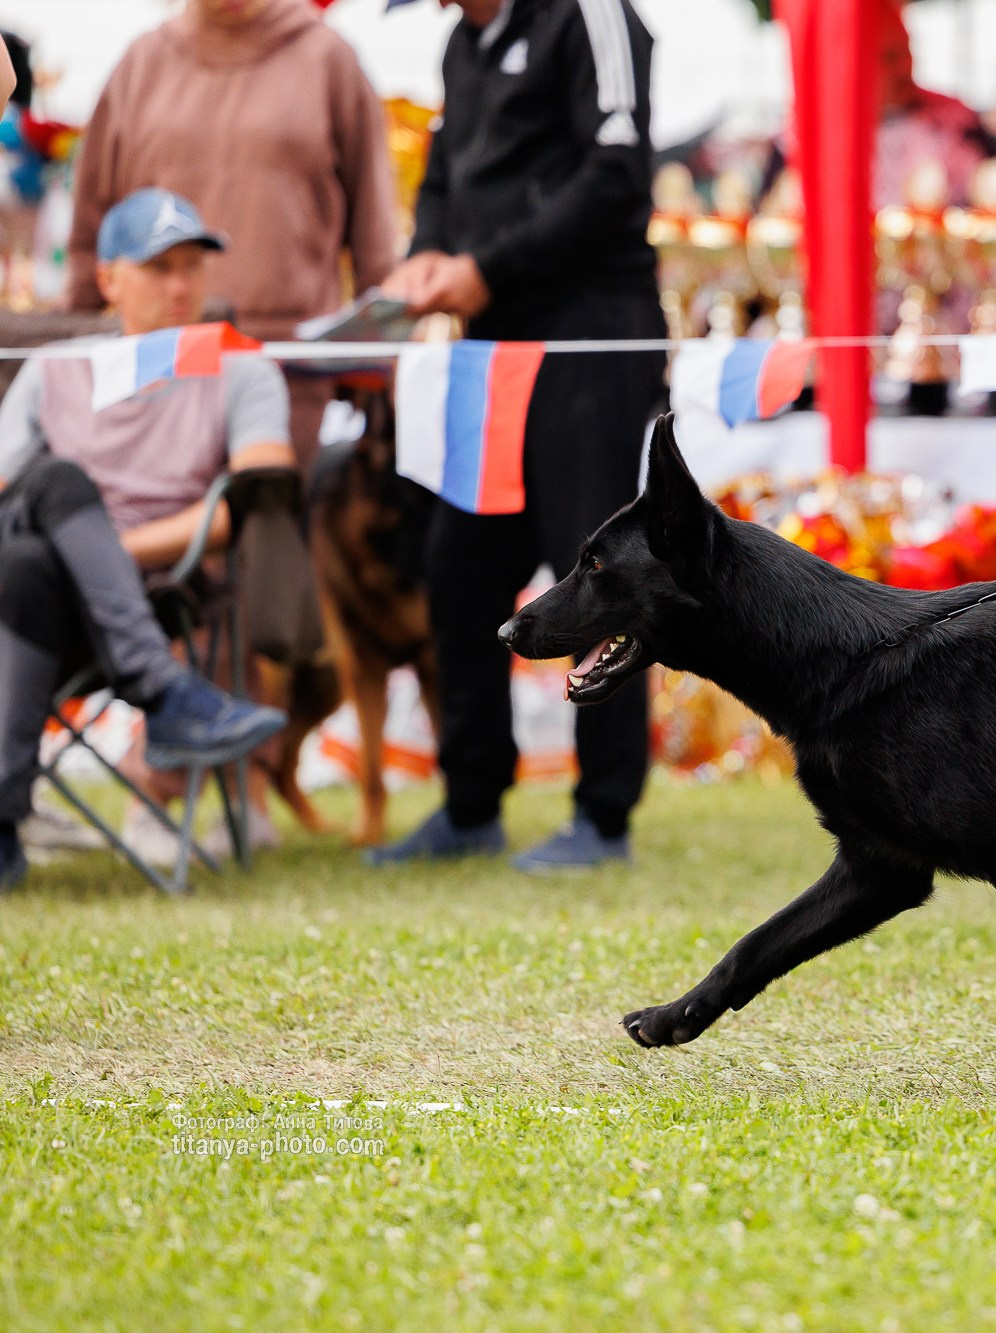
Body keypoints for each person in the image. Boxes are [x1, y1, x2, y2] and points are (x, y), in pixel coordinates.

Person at [373, 0, 665, 873]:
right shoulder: (462, 43)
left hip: (591, 339)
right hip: (489, 349)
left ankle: (602, 815)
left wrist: (485, 269)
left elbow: (618, 175)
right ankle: (470, 803)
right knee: (460, 567)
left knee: (602, 571)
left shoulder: (593, 15)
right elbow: (441, 176)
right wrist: (428, 254)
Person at [0, 189, 292, 891]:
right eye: (159, 266)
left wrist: (92, 553)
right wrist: (80, 539)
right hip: (60, 591)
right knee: (53, 491)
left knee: (31, 557)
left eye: (192, 265)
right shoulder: (58, 368)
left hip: (156, 589)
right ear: (108, 279)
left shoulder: (243, 369)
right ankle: (165, 693)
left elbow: (243, 509)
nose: (181, 284)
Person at [64, 0, 400, 464]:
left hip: (286, 367)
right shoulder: (141, 65)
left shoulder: (326, 60)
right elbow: (90, 226)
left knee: (264, 519)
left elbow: (374, 232)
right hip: (156, 375)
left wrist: (383, 356)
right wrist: (72, 348)